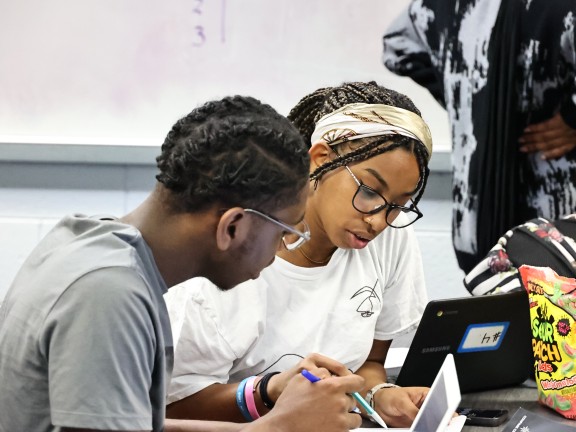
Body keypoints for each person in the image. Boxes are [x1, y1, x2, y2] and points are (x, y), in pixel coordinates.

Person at [0, 95, 365, 432]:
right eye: (284, 231)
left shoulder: (92, 244)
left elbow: (137, 425)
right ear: (232, 227)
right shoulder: (108, 293)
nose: (281, 249)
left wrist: (265, 402)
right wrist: (279, 429)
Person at [165, 81, 432, 428]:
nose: (379, 220)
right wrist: (270, 393)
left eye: (399, 204)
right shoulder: (227, 258)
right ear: (319, 158)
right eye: (368, 191)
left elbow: (367, 364)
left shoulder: (387, 239)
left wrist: (379, 394)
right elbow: (173, 408)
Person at [382, 0, 576, 273]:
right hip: (554, 228)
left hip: (477, 224)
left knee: (491, 305)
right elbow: (397, 44)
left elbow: (398, 44)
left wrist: (467, 99)